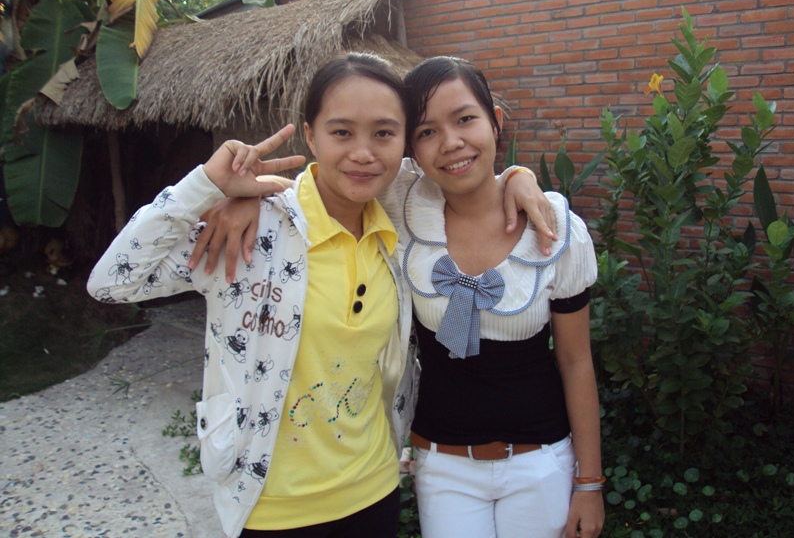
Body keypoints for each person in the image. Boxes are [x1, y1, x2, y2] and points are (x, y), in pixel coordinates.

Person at [196, 56, 604, 538]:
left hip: (541, 462)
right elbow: (327, 188)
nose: (450, 142)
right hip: (443, 463)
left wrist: (590, 482)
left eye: (465, 119)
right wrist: (252, 197)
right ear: (412, 147)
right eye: (427, 131)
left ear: (495, 121)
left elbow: (576, 361)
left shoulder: (553, 230)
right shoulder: (404, 204)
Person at [88, 54, 420, 538]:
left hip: (374, 490)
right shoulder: (253, 229)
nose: (364, 153)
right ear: (311, 136)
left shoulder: (400, 228)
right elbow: (112, 281)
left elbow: (469, 182)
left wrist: (518, 181)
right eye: (342, 132)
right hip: (271, 509)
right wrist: (205, 186)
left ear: (405, 140)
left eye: (384, 133)